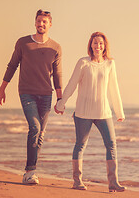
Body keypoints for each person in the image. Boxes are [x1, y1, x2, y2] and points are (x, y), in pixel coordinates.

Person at [54, 31, 126, 192]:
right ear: (90, 45)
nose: (98, 46)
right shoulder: (83, 62)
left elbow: (114, 88)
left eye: (100, 43)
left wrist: (119, 112)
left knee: (112, 145)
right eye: (95, 43)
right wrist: (61, 103)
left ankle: (113, 182)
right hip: (83, 113)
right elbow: (72, 84)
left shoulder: (110, 64)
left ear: (105, 46)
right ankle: (77, 181)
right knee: (80, 145)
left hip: (103, 112)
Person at [0, 9, 62, 185]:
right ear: (35, 22)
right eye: (39, 21)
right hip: (27, 92)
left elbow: (57, 74)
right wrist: (2, 88)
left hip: (46, 94)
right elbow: (12, 65)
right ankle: (30, 172)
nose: (41, 24)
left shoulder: (55, 47)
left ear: (50, 24)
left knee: (40, 132)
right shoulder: (23, 43)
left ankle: (31, 170)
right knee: (35, 127)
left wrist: (60, 98)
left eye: (45, 22)